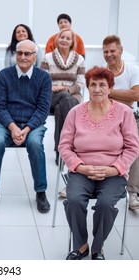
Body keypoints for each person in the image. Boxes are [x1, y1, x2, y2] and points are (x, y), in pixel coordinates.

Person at [59, 66, 139, 260]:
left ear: (110, 88)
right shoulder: (76, 112)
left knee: (105, 204)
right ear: (87, 87)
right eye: (93, 84)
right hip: (82, 170)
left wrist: (115, 169)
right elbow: (64, 146)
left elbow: (133, 148)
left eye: (102, 85)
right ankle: (81, 244)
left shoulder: (124, 113)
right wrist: (80, 167)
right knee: (74, 200)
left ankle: (97, 247)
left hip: (114, 172)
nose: (97, 89)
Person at [0, 40, 52, 213]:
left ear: (35, 57)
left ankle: (40, 192)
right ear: (15, 55)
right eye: (19, 53)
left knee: (34, 144)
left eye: (27, 54)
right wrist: (12, 127)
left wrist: (26, 129)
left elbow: (43, 110)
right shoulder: (4, 75)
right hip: (7, 122)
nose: (23, 57)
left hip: (33, 124)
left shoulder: (44, 78)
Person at [102, 35, 139, 210]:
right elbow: (98, 97)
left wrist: (110, 92)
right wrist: (124, 95)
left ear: (121, 51)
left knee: (136, 146)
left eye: (112, 51)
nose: (109, 54)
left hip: (131, 117)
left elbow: (136, 95)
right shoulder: (101, 72)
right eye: (106, 51)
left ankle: (133, 192)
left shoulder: (132, 69)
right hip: (106, 117)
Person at [40, 28, 85, 166]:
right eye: (62, 37)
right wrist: (52, 88)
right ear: (57, 40)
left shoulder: (80, 60)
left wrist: (67, 89)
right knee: (64, 99)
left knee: (62, 107)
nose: (64, 40)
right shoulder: (47, 58)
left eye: (68, 38)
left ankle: (60, 152)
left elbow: (81, 83)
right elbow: (42, 81)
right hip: (51, 96)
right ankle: (75, 146)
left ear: (72, 42)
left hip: (73, 96)